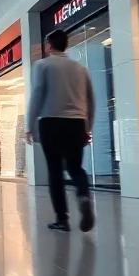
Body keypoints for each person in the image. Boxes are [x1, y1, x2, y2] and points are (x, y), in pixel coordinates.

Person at [25, 29, 95, 233]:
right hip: (76, 123)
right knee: (75, 167)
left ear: (49, 46)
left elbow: (37, 94)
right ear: (66, 45)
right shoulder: (81, 69)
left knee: (54, 170)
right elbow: (90, 100)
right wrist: (87, 127)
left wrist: (30, 125)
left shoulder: (42, 65)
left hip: (50, 122)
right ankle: (83, 195)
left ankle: (62, 219)